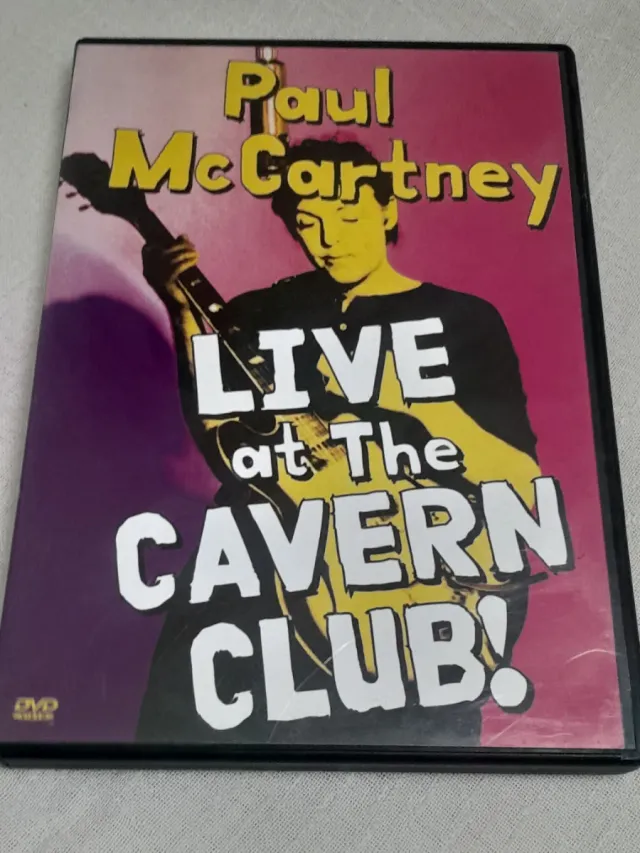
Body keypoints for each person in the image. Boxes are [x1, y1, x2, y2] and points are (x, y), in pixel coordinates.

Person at [136, 138, 540, 747]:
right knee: (185, 749)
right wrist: (182, 310)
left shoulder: (463, 320)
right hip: (254, 579)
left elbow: (519, 484)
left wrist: (420, 404)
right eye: (308, 222)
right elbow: (226, 446)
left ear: (386, 209)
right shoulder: (256, 312)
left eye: (348, 216)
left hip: (404, 598)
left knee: (407, 772)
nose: (328, 239)